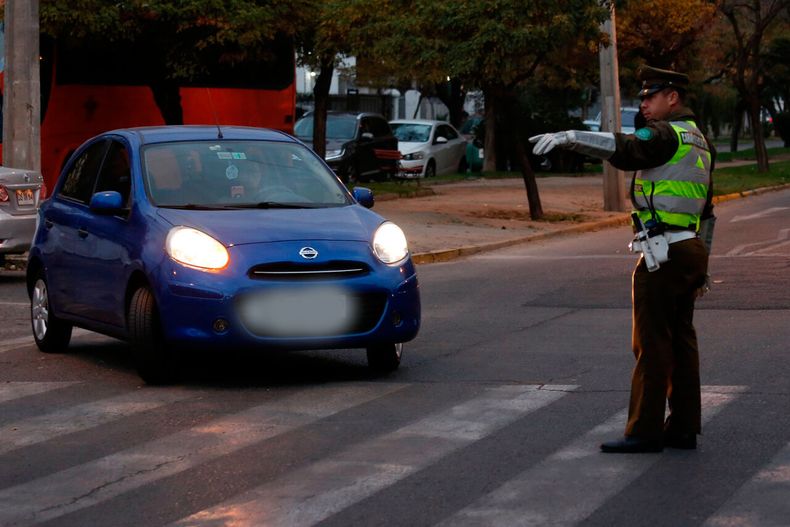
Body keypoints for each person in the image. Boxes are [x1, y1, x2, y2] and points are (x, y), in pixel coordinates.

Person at [530, 66, 716, 453]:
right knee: (682, 341)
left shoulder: (664, 133)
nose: (644, 104)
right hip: (690, 249)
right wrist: (704, 265)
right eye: (644, 97)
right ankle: (683, 427)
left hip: (663, 253)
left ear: (673, 98)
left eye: (651, 97)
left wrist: (571, 138)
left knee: (651, 342)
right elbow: (708, 210)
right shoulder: (699, 140)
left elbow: (627, 148)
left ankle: (644, 431)